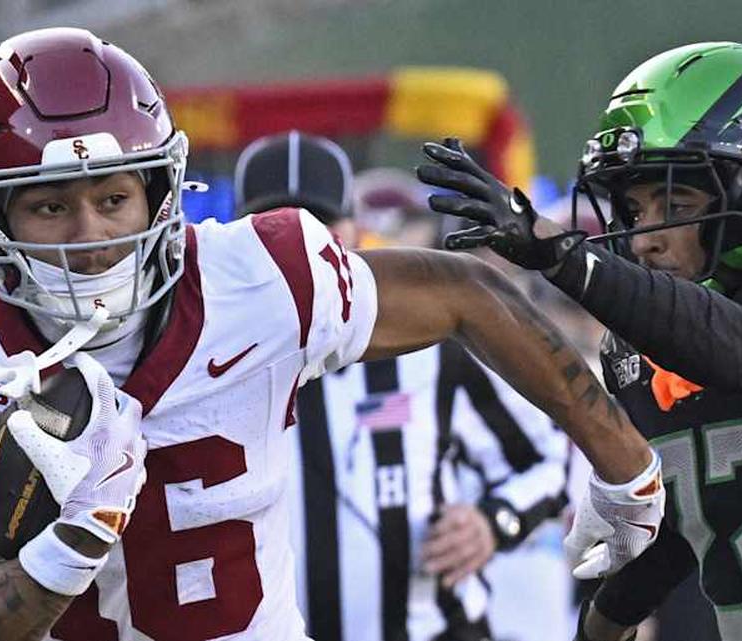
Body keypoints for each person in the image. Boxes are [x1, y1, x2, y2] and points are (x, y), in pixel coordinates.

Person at [0, 28, 662, 641]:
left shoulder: (264, 278)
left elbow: (466, 292)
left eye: (112, 199)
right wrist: (73, 542)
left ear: (159, 194)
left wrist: (626, 466)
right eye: (51, 205)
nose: (92, 235)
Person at [415, 41, 742, 641]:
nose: (644, 238)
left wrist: (558, 252)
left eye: (675, 203)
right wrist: (601, 625)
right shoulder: (645, 354)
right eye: (633, 210)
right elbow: (692, 518)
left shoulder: (703, 334)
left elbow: (724, 341)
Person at [236, 131, 569, 641]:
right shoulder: (202, 364)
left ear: (352, 231)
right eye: (272, 226)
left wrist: (492, 523)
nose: (296, 247)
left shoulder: (432, 340)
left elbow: (549, 457)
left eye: (318, 224)